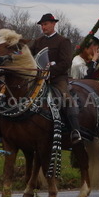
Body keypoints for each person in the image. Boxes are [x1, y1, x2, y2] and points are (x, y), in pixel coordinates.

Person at [32, 13, 82, 144]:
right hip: (39, 79)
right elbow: (29, 56)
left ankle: (75, 130)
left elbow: (66, 62)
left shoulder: (63, 41)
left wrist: (50, 72)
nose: (43, 27)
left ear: (54, 24)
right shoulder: (38, 42)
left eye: (46, 24)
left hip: (57, 79)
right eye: (42, 25)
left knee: (66, 99)